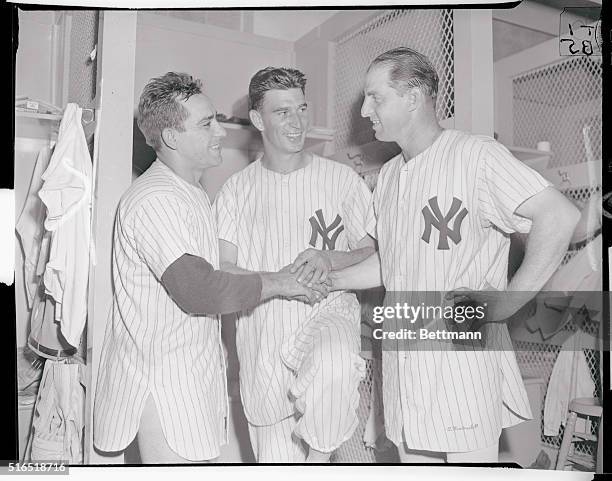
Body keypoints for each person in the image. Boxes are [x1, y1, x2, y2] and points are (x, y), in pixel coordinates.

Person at [330, 48, 580, 463]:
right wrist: (333, 279)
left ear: (413, 97)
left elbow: (559, 216)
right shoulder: (390, 176)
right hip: (404, 366)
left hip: (459, 365)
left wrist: (510, 301)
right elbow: (392, 262)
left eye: (376, 97)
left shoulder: (476, 156)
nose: (363, 108)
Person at [93, 72, 325, 464]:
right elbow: (198, 289)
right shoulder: (157, 199)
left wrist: (290, 281)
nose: (221, 132)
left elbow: (216, 272)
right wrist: (281, 284)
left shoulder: (191, 192)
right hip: (163, 389)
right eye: (206, 124)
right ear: (171, 137)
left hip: (188, 382)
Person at [215, 67, 375, 463]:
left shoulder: (341, 180)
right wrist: (284, 282)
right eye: (282, 112)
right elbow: (221, 269)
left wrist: (330, 258)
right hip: (263, 343)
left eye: (301, 109)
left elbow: (374, 251)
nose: (297, 121)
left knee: (335, 367)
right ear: (257, 119)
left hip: (325, 316)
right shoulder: (236, 190)